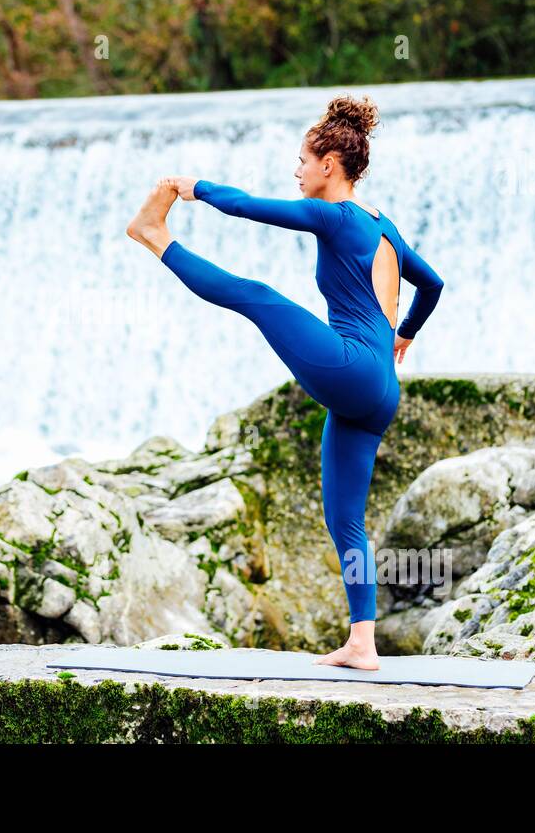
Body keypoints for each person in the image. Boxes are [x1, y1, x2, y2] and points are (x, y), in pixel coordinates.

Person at [125, 94, 444, 669]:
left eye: (302, 159)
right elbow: (434, 284)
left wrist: (189, 185)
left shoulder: (336, 215)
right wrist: (404, 334)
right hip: (379, 392)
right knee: (345, 518)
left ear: (329, 165)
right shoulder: (384, 227)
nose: (296, 171)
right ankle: (362, 643)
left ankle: (153, 234)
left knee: (259, 297)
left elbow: (247, 207)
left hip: (350, 367)